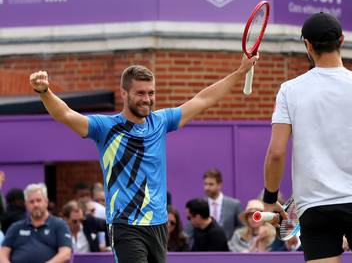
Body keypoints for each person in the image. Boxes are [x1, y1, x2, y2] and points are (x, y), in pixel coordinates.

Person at [29, 55, 257, 263]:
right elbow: (66, 114)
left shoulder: (160, 121)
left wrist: (239, 72)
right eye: (140, 93)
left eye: (151, 93)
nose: (147, 99)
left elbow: (203, 99)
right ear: (124, 93)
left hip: (158, 225)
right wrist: (45, 92)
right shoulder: (105, 127)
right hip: (125, 225)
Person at [262, 12, 352, 263]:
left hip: (315, 209)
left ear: (307, 45)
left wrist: (270, 199)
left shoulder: (289, 91)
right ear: (343, 40)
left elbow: (276, 153)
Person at [0, 183, 72, 263]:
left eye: (38, 200)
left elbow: (65, 253)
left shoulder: (59, 225)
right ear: (26, 205)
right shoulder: (15, 227)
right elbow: (2, 254)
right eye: (31, 202)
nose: (35, 205)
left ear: (46, 202)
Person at [202, 168, 243, 239]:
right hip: (205, 249)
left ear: (220, 185)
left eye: (211, 184)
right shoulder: (200, 205)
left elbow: (242, 228)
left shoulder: (234, 204)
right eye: (205, 184)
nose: (207, 188)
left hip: (229, 248)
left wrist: (234, 243)